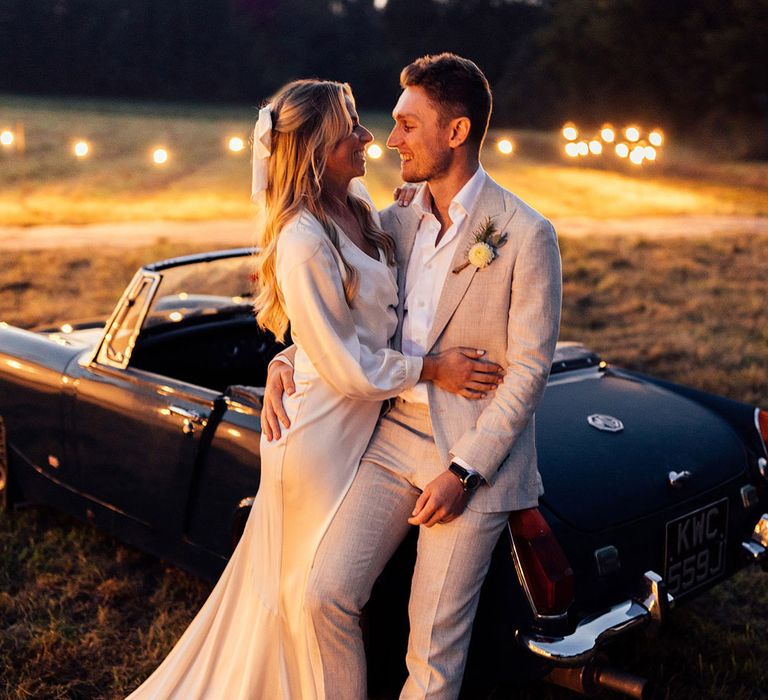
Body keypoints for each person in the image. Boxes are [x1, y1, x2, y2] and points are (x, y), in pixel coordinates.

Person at [126, 79, 502, 700]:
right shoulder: (302, 238)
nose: (366, 137)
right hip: (319, 438)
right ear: (314, 152)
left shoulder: (356, 207)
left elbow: (362, 319)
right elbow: (348, 365)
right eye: (348, 131)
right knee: (305, 594)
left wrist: (290, 355)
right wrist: (434, 368)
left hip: (361, 426)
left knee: (311, 595)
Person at [264, 53, 562, 699]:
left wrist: (465, 472)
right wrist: (286, 359)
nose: (388, 138)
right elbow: (356, 315)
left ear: (456, 133)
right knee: (323, 594)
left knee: (432, 651)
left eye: (406, 124)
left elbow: (530, 369)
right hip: (390, 436)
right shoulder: (395, 218)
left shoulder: (525, 232)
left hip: (471, 459)